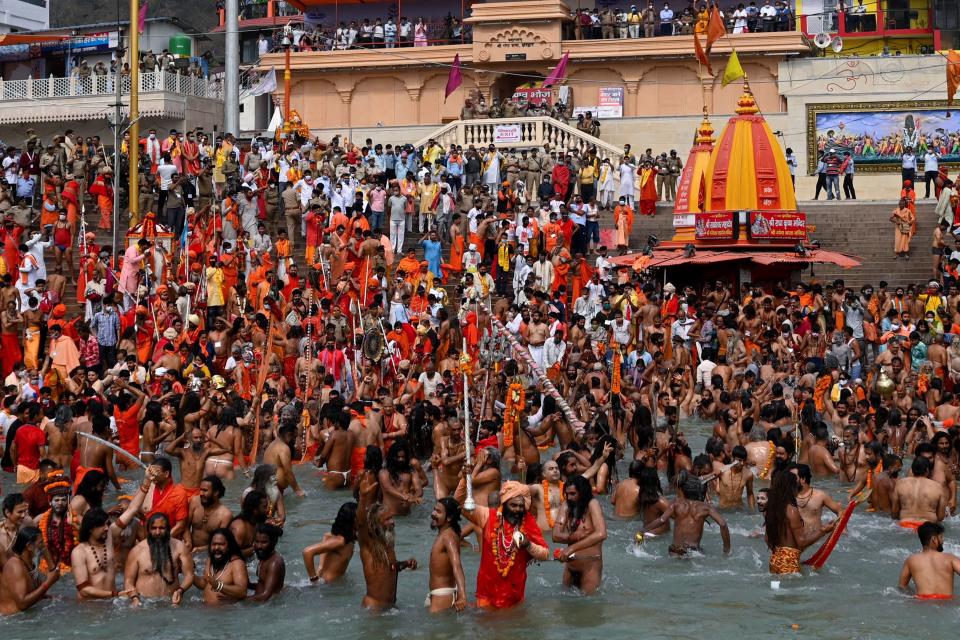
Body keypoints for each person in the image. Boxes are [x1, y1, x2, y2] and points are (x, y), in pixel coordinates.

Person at [458, 479, 549, 609]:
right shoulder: (488, 516)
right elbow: (460, 503)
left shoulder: (527, 521)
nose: (517, 510)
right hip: (486, 591)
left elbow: (545, 553)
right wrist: (464, 479)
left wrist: (528, 545)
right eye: (513, 505)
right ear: (504, 503)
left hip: (513, 593)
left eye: (521, 506)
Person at [71, 467, 154, 600]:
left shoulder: (109, 534)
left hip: (111, 603)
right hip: (89, 610)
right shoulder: (79, 552)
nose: (106, 528)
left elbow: (132, 510)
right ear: (90, 529)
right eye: (101, 526)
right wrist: (115, 594)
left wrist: (146, 481)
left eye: (106, 524)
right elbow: (84, 590)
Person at [356, 474, 417, 609]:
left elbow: (389, 568)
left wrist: (405, 564)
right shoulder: (368, 544)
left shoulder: (389, 542)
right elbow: (360, 524)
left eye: (392, 518)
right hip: (374, 610)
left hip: (391, 607)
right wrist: (362, 498)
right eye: (387, 519)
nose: (393, 522)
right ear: (376, 523)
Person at [638, 470, 731, 555]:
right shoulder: (705, 507)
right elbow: (723, 524)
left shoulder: (676, 503)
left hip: (675, 550)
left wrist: (642, 531)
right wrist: (727, 550)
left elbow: (661, 520)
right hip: (693, 552)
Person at [764, 471, 836, 574]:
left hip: (774, 560)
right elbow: (801, 542)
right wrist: (823, 531)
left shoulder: (771, 509)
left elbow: (767, 539)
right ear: (791, 488)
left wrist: (781, 553)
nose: (799, 487)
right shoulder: (792, 510)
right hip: (789, 563)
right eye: (796, 485)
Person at [123, 512, 195, 605]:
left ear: (168, 529)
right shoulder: (137, 551)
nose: (157, 532)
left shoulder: (180, 547)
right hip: (144, 603)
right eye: (153, 528)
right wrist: (134, 598)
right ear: (148, 530)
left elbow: (189, 575)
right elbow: (128, 581)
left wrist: (180, 591)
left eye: (161, 528)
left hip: (171, 603)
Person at [552, 474, 607, 594]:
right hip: (570, 567)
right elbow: (555, 535)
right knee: (564, 608)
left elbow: (601, 534)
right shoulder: (566, 505)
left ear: (582, 493)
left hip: (590, 566)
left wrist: (571, 548)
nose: (569, 497)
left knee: (588, 608)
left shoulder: (593, 504)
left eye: (573, 494)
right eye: (567, 494)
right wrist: (574, 536)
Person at [0, 527, 60, 614]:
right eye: (41, 543)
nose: (43, 546)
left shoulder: (30, 564)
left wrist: (45, 551)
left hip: (25, 617)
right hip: (12, 619)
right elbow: (22, 604)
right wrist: (48, 583)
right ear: (29, 546)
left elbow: (53, 573)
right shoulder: (15, 566)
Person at [898, 521, 960, 599]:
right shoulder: (949, 558)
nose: (943, 541)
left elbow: (902, 586)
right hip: (946, 602)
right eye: (941, 537)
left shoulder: (911, 560)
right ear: (934, 539)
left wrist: (913, 595)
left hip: (922, 602)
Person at [426, 496, 467, 612]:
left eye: (438, 512)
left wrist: (463, 595)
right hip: (439, 595)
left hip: (442, 596)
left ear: (449, 517)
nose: (433, 513)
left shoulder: (448, 536)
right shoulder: (447, 534)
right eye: (434, 509)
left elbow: (457, 566)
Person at [303, 501, 358, 584]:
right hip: (327, 587)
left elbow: (327, 536)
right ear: (351, 520)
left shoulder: (342, 538)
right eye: (359, 516)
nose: (362, 519)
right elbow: (307, 552)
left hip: (329, 585)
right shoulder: (340, 541)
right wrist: (314, 580)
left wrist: (320, 568)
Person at [194, 528, 248, 605]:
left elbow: (242, 591)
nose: (216, 548)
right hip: (205, 612)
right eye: (214, 544)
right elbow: (205, 585)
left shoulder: (236, 563)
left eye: (221, 544)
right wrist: (190, 575)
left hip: (226, 613)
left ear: (229, 546)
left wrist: (218, 586)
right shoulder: (210, 560)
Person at [892, 456, 947, 529]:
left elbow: (894, 513)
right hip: (927, 528)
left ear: (912, 469)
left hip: (904, 526)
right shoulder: (937, 487)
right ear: (927, 470)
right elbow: (940, 517)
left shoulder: (900, 484)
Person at [250, 522, 285, 601]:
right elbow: (263, 584)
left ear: (273, 542)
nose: (259, 546)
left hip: (270, 607)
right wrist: (247, 585)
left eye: (264, 542)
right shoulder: (264, 557)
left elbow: (266, 595)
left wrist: (240, 602)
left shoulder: (274, 563)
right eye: (257, 541)